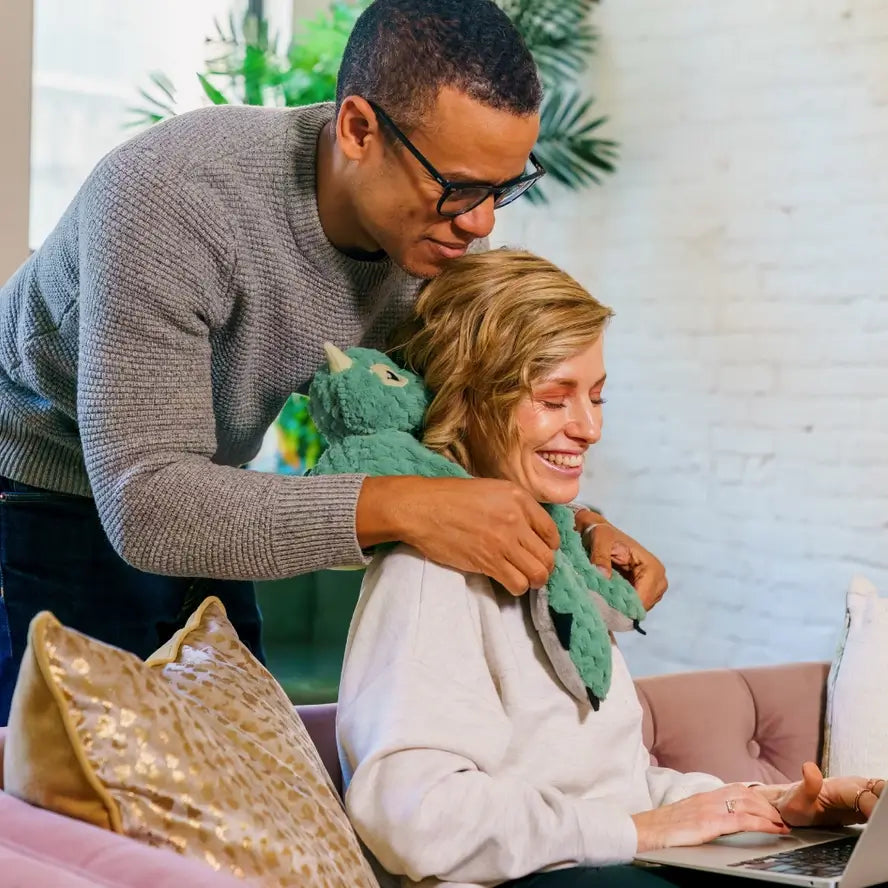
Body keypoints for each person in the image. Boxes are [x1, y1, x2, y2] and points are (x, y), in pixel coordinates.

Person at [0, 0, 666, 724]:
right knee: (80, 803)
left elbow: (453, 427)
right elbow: (149, 507)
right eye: (458, 188)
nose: (480, 223)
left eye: (503, 188)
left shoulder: (429, 241)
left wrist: (577, 526)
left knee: (243, 766)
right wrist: (406, 507)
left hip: (193, 484)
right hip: (35, 488)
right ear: (357, 129)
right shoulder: (172, 196)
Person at [336, 250, 884, 888]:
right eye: (553, 398)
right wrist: (640, 833)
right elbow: (415, 818)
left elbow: (605, 788)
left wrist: (765, 805)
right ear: (467, 398)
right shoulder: (427, 573)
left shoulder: (563, 570)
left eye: (595, 397)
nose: (589, 427)